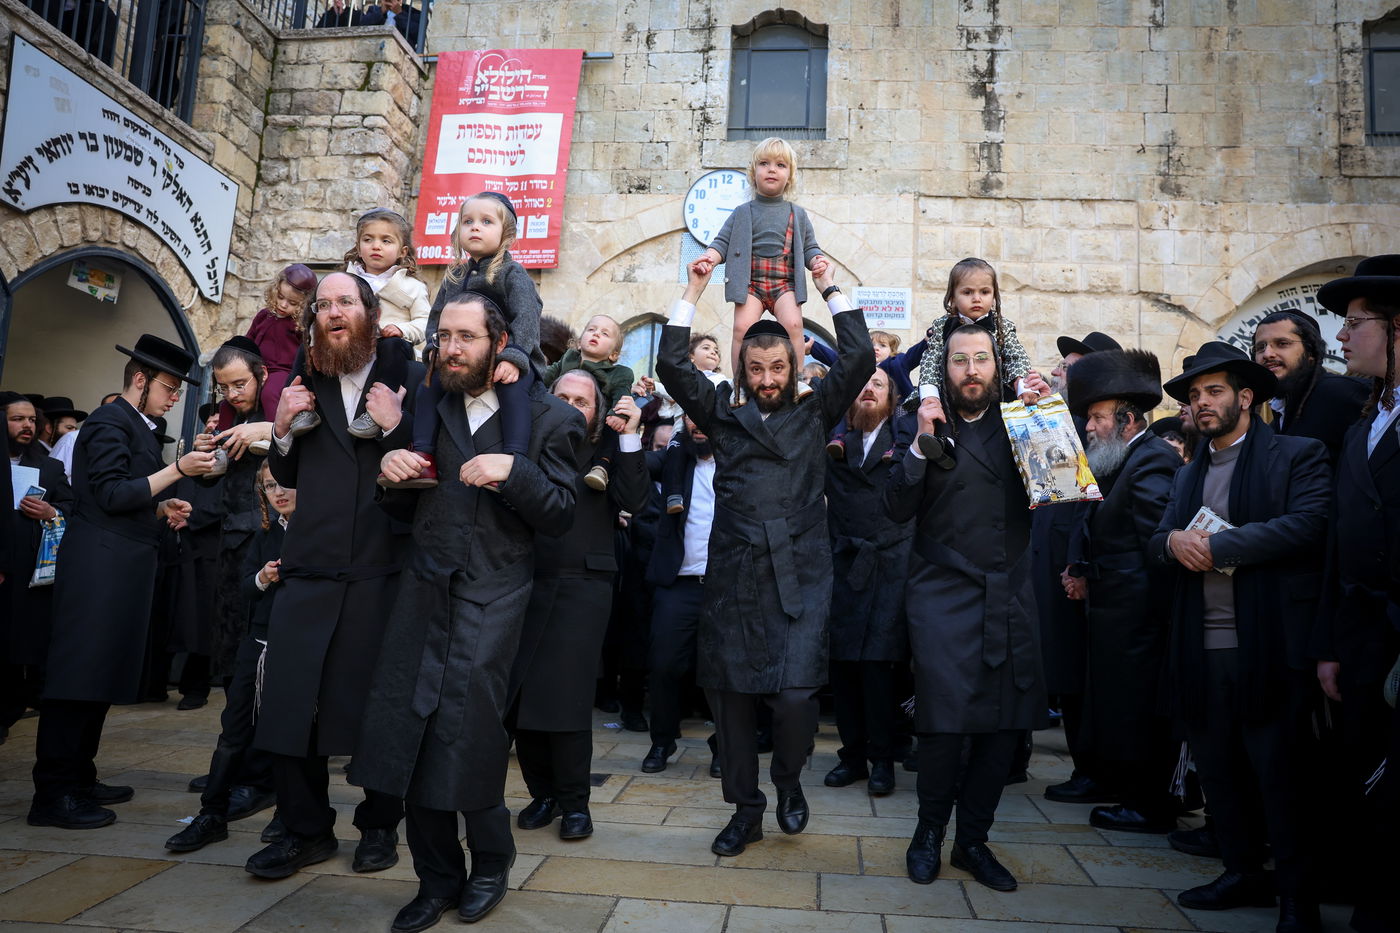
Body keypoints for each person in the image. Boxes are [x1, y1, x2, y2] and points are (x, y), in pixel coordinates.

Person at [352, 288, 582, 932]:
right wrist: (391, 471)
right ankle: (435, 879)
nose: (450, 350)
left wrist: (515, 472)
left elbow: (562, 514)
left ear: (499, 344)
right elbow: (404, 505)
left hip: (495, 596)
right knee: (410, 733)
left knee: (467, 734)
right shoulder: (431, 404)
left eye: (466, 337)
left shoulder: (551, 419)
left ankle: (490, 862)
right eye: (444, 337)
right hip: (422, 593)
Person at [657, 261, 875, 858]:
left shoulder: (815, 410)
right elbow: (671, 364)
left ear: (794, 365)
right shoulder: (721, 414)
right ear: (742, 370)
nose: (768, 378)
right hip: (734, 573)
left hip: (801, 570)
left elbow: (859, 356)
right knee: (729, 700)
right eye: (756, 368)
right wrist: (694, 288)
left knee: (798, 696)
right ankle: (745, 810)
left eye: (778, 367)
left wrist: (829, 285)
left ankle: (788, 780)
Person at [1149, 341, 1330, 932]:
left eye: (1215, 391)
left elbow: (1308, 524)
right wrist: (1173, 542)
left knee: (1279, 777)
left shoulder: (1296, 454)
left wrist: (1220, 547)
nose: (1202, 403)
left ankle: (1297, 899)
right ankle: (1240, 871)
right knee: (1219, 771)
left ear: (1246, 397)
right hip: (1200, 646)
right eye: (1194, 395)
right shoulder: (1188, 472)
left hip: (1268, 646)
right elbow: (1157, 539)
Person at [246, 272, 421, 880]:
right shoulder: (305, 382)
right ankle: (304, 830)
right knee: (289, 705)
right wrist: (280, 429)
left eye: (346, 301)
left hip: (380, 569)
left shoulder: (409, 378)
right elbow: (286, 474)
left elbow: (432, 466)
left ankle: (379, 827)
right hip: (310, 567)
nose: (333, 312)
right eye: (323, 305)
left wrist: (396, 425)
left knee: (378, 709)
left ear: (370, 313)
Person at [883, 324, 1050, 891]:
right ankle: (928, 833)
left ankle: (973, 841)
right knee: (944, 724)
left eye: (982, 359)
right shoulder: (920, 421)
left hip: (1009, 588)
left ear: (997, 367)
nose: (972, 370)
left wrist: (1047, 414)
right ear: (943, 368)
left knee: (1003, 727)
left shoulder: (1021, 419)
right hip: (940, 592)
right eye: (960, 360)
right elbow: (895, 507)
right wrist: (919, 442)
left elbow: (1063, 484)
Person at [28, 335, 214, 829]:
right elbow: (110, 494)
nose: (174, 398)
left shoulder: (136, 426)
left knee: (99, 677)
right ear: (141, 379)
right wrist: (177, 471)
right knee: (77, 678)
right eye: (169, 388)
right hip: (98, 568)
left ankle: (79, 777)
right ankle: (53, 794)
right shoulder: (110, 421)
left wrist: (161, 506)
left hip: (120, 565)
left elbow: (120, 499)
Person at [509, 374, 648, 840]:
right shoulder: (526, 442)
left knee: (566, 699)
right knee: (523, 695)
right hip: (523, 579)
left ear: (597, 412)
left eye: (582, 401)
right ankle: (542, 794)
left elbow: (635, 499)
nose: (571, 407)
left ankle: (574, 804)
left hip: (583, 585)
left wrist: (630, 435)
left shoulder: (607, 451)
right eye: (562, 398)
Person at [1312, 254, 1400, 933]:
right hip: (1362, 639)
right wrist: (1331, 644)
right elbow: (1339, 544)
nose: (1341, 336)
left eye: (1357, 322)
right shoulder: (1362, 425)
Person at [1061, 350, 1182, 834]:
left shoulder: (1151, 461)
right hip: (1118, 614)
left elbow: (1158, 546)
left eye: (1097, 417)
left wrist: (1147, 617)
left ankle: (1148, 805)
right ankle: (1124, 788)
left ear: (1128, 420)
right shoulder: (1127, 459)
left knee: (1139, 712)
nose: (1089, 427)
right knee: (1119, 708)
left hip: (1139, 619)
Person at [165, 461, 295, 853]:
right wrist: (263, 578)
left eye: (285, 484)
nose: (278, 492)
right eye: (269, 486)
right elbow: (245, 587)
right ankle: (211, 814)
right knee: (232, 733)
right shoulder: (265, 533)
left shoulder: (317, 533)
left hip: (295, 646)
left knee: (289, 736)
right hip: (257, 643)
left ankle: (289, 815)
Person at [384, 192, 543, 489]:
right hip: (460, 357)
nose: (475, 227)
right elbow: (436, 318)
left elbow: (527, 318)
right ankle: (424, 456)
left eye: (486, 221)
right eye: (467, 221)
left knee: (512, 388)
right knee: (429, 384)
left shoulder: (512, 273)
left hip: (509, 354)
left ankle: (513, 459)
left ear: (507, 233)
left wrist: (513, 357)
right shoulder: (455, 275)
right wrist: (434, 349)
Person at [822, 368, 914, 796]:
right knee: (842, 668)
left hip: (888, 568)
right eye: (862, 384)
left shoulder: (904, 443)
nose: (868, 389)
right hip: (843, 567)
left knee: (878, 668)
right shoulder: (836, 445)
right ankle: (852, 757)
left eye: (878, 383)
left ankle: (882, 760)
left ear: (892, 400)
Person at [1039, 330, 1121, 805]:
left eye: (1067, 367)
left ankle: (1093, 768)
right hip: (1049, 563)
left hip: (1075, 570)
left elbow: (1084, 506)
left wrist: (1075, 564)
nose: (1057, 372)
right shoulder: (1061, 419)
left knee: (1079, 676)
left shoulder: (1097, 430)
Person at [689, 136, 829, 371]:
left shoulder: (798, 214)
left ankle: (795, 380)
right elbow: (721, 243)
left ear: (790, 177)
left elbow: (810, 247)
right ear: (754, 173)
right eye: (764, 163)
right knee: (741, 329)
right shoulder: (741, 212)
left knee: (794, 325)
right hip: (750, 283)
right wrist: (709, 259)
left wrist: (817, 260)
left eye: (780, 165)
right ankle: (739, 382)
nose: (772, 169)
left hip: (785, 283)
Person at [286, 210, 428, 440]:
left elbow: (426, 322)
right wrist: (313, 341)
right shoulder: (345, 279)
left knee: (392, 346)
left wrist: (402, 330)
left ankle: (374, 410)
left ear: (402, 252)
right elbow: (322, 313)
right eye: (368, 239)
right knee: (307, 350)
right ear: (358, 246)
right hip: (350, 342)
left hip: (392, 346)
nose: (376, 246)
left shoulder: (412, 287)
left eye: (386, 241)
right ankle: (302, 408)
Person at [639, 415, 717, 773]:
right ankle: (662, 741)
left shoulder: (742, 461)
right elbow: (636, 464)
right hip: (679, 585)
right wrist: (627, 433)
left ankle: (725, 748)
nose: (697, 424)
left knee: (725, 673)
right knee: (664, 665)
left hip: (726, 587)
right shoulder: (675, 460)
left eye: (704, 415)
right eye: (690, 416)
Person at [911, 258, 1038, 468]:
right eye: (967, 292)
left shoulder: (1003, 325)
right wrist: (930, 396)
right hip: (951, 389)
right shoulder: (942, 325)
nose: (976, 299)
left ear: (994, 295)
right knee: (933, 409)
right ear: (952, 297)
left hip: (993, 390)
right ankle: (941, 444)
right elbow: (931, 361)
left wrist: (1022, 386)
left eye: (984, 292)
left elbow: (1016, 357)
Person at [0, 392, 75, 731]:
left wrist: (51, 511)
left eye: (32, 419)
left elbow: (72, 508)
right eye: (18, 419)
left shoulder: (49, 466)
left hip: (29, 576)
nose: (27, 426)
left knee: (19, 649)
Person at [1252, 309, 1368, 464]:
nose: (1267, 354)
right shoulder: (1278, 416)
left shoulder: (1343, 394)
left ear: (1311, 351)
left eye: (1282, 344)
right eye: (1260, 347)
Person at [541, 315, 635, 491]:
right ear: (578, 343)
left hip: (597, 425)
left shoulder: (619, 373)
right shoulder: (568, 358)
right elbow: (546, 377)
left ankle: (601, 466)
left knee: (610, 430)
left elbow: (622, 396)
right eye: (591, 329)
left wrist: (617, 415)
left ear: (614, 354)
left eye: (605, 333)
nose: (596, 334)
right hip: (557, 416)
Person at [243, 263, 316, 431]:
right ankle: (223, 434)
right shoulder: (263, 315)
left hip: (282, 371)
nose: (283, 305)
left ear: (304, 305)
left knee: (270, 393)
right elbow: (249, 341)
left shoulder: (299, 325)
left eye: (292, 303)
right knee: (235, 394)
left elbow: (306, 353)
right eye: (281, 297)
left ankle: (271, 430)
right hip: (256, 369)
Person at [660, 334, 723, 514]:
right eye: (706, 348)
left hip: (710, 430)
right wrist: (653, 387)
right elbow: (670, 393)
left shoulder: (720, 380)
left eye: (716, 350)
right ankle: (674, 495)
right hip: (683, 429)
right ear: (691, 357)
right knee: (674, 454)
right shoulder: (683, 378)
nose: (713, 352)